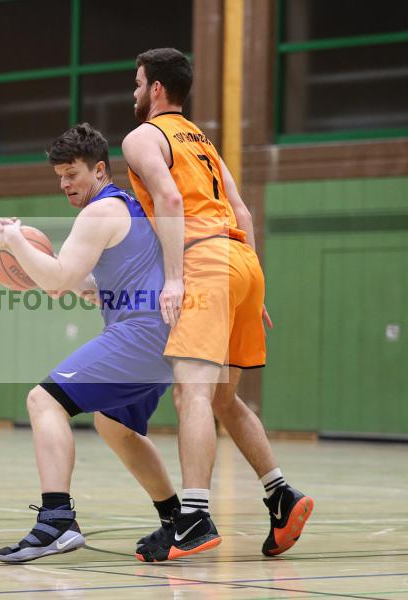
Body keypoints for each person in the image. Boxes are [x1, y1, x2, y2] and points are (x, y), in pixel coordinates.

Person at [122, 48, 313, 559]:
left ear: (157, 89)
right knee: (226, 399)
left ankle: (195, 518)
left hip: (204, 261)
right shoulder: (205, 142)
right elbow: (243, 209)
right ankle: (281, 495)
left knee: (193, 396)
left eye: (138, 83)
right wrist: (256, 291)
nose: (134, 92)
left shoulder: (144, 136)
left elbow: (169, 201)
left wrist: (175, 280)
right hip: (242, 264)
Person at [0, 124, 183, 563]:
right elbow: (92, 284)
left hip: (140, 333)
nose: (64, 184)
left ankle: (56, 520)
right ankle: (176, 520)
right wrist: (42, 267)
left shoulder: (98, 213)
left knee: (44, 401)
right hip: (163, 335)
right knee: (113, 426)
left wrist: (17, 241)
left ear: (99, 169)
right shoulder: (128, 206)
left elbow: (58, 281)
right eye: (59, 175)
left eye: (72, 173)